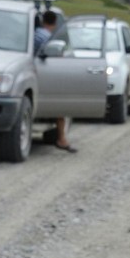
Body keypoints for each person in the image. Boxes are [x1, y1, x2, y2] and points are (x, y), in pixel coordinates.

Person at [33, 9, 77, 152]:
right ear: (55, 22)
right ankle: (61, 139)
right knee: (61, 107)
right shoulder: (48, 38)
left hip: (30, 74)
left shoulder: (34, 34)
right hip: (43, 76)